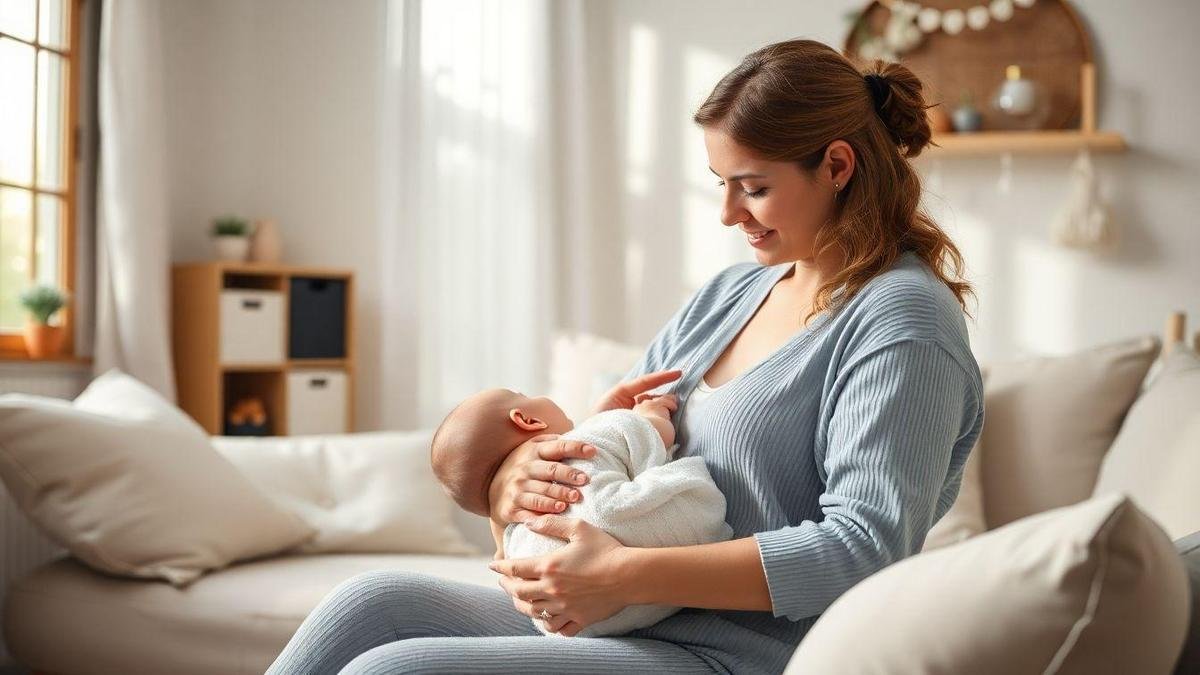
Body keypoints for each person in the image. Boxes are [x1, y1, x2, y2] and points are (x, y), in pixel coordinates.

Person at [266, 37, 985, 674]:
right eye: (721, 183)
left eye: (754, 187)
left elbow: (864, 546)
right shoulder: (734, 293)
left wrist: (622, 574)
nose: (729, 213)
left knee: (394, 671)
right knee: (370, 603)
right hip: (631, 619)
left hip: (733, 653)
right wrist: (516, 484)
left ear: (836, 165)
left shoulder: (903, 323)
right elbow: (625, 459)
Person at [427, 387, 734, 637]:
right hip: (685, 538)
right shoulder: (588, 437)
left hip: (573, 622)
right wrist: (648, 414)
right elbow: (653, 433)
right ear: (526, 419)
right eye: (522, 392)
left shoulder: (513, 530)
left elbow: (505, 564)